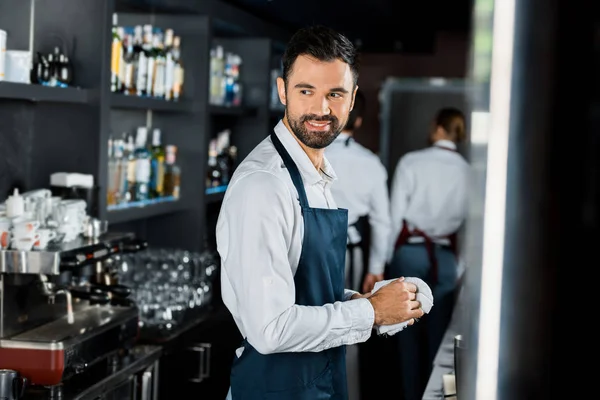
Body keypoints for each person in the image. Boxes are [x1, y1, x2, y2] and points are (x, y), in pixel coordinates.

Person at [217, 25, 425, 400]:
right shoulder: (264, 185)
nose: (321, 109)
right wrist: (372, 313)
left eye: (335, 94)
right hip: (275, 389)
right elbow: (271, 327)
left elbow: (302, 294)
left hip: (317, 382)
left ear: (352, 98)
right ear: (282, 90)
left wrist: (372, 302)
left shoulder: (315, 174)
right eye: (306, 91)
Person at [387, 107, 472, 400]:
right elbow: (471, 226)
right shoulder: (467, 171)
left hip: (410, 254)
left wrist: (386, 259)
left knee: (405, 335)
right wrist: (460, 266)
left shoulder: (412, 162)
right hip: (446, 259)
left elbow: (394, 215)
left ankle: (410, 395)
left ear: (437, 127)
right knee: (443, 344)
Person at [325, 89, 391, 294]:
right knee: (349, 313)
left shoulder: (307, 155)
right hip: (349, 252)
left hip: (306, 247)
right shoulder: (371, 163)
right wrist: (376, 268)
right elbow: (381, 222)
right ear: (359, 121)